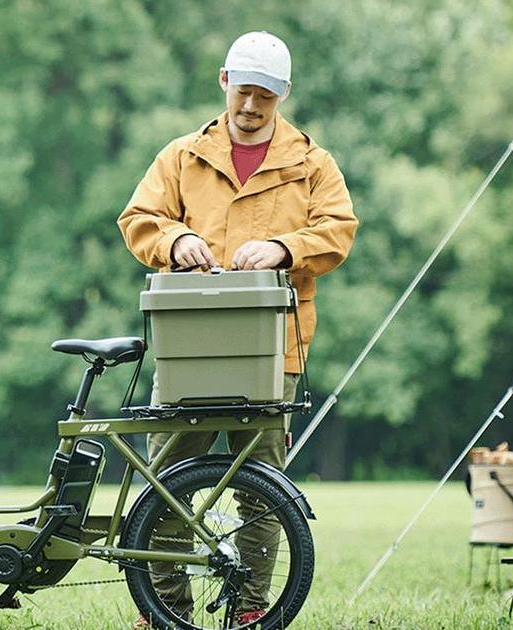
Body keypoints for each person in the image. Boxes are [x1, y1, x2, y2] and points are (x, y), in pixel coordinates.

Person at [117, 31, 358, 626]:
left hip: (271, 354)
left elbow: (338, 231)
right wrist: (178, 239)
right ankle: (164, 610)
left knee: (262, 494)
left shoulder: (312, 163)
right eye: (243, 93)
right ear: (224, 81)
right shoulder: (181, 156)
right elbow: (138, 218)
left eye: (265, 99)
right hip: (188, 353)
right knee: (167, 487)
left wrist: (283, 246)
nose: (251, 108)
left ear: (283, 95)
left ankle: (251, 610)